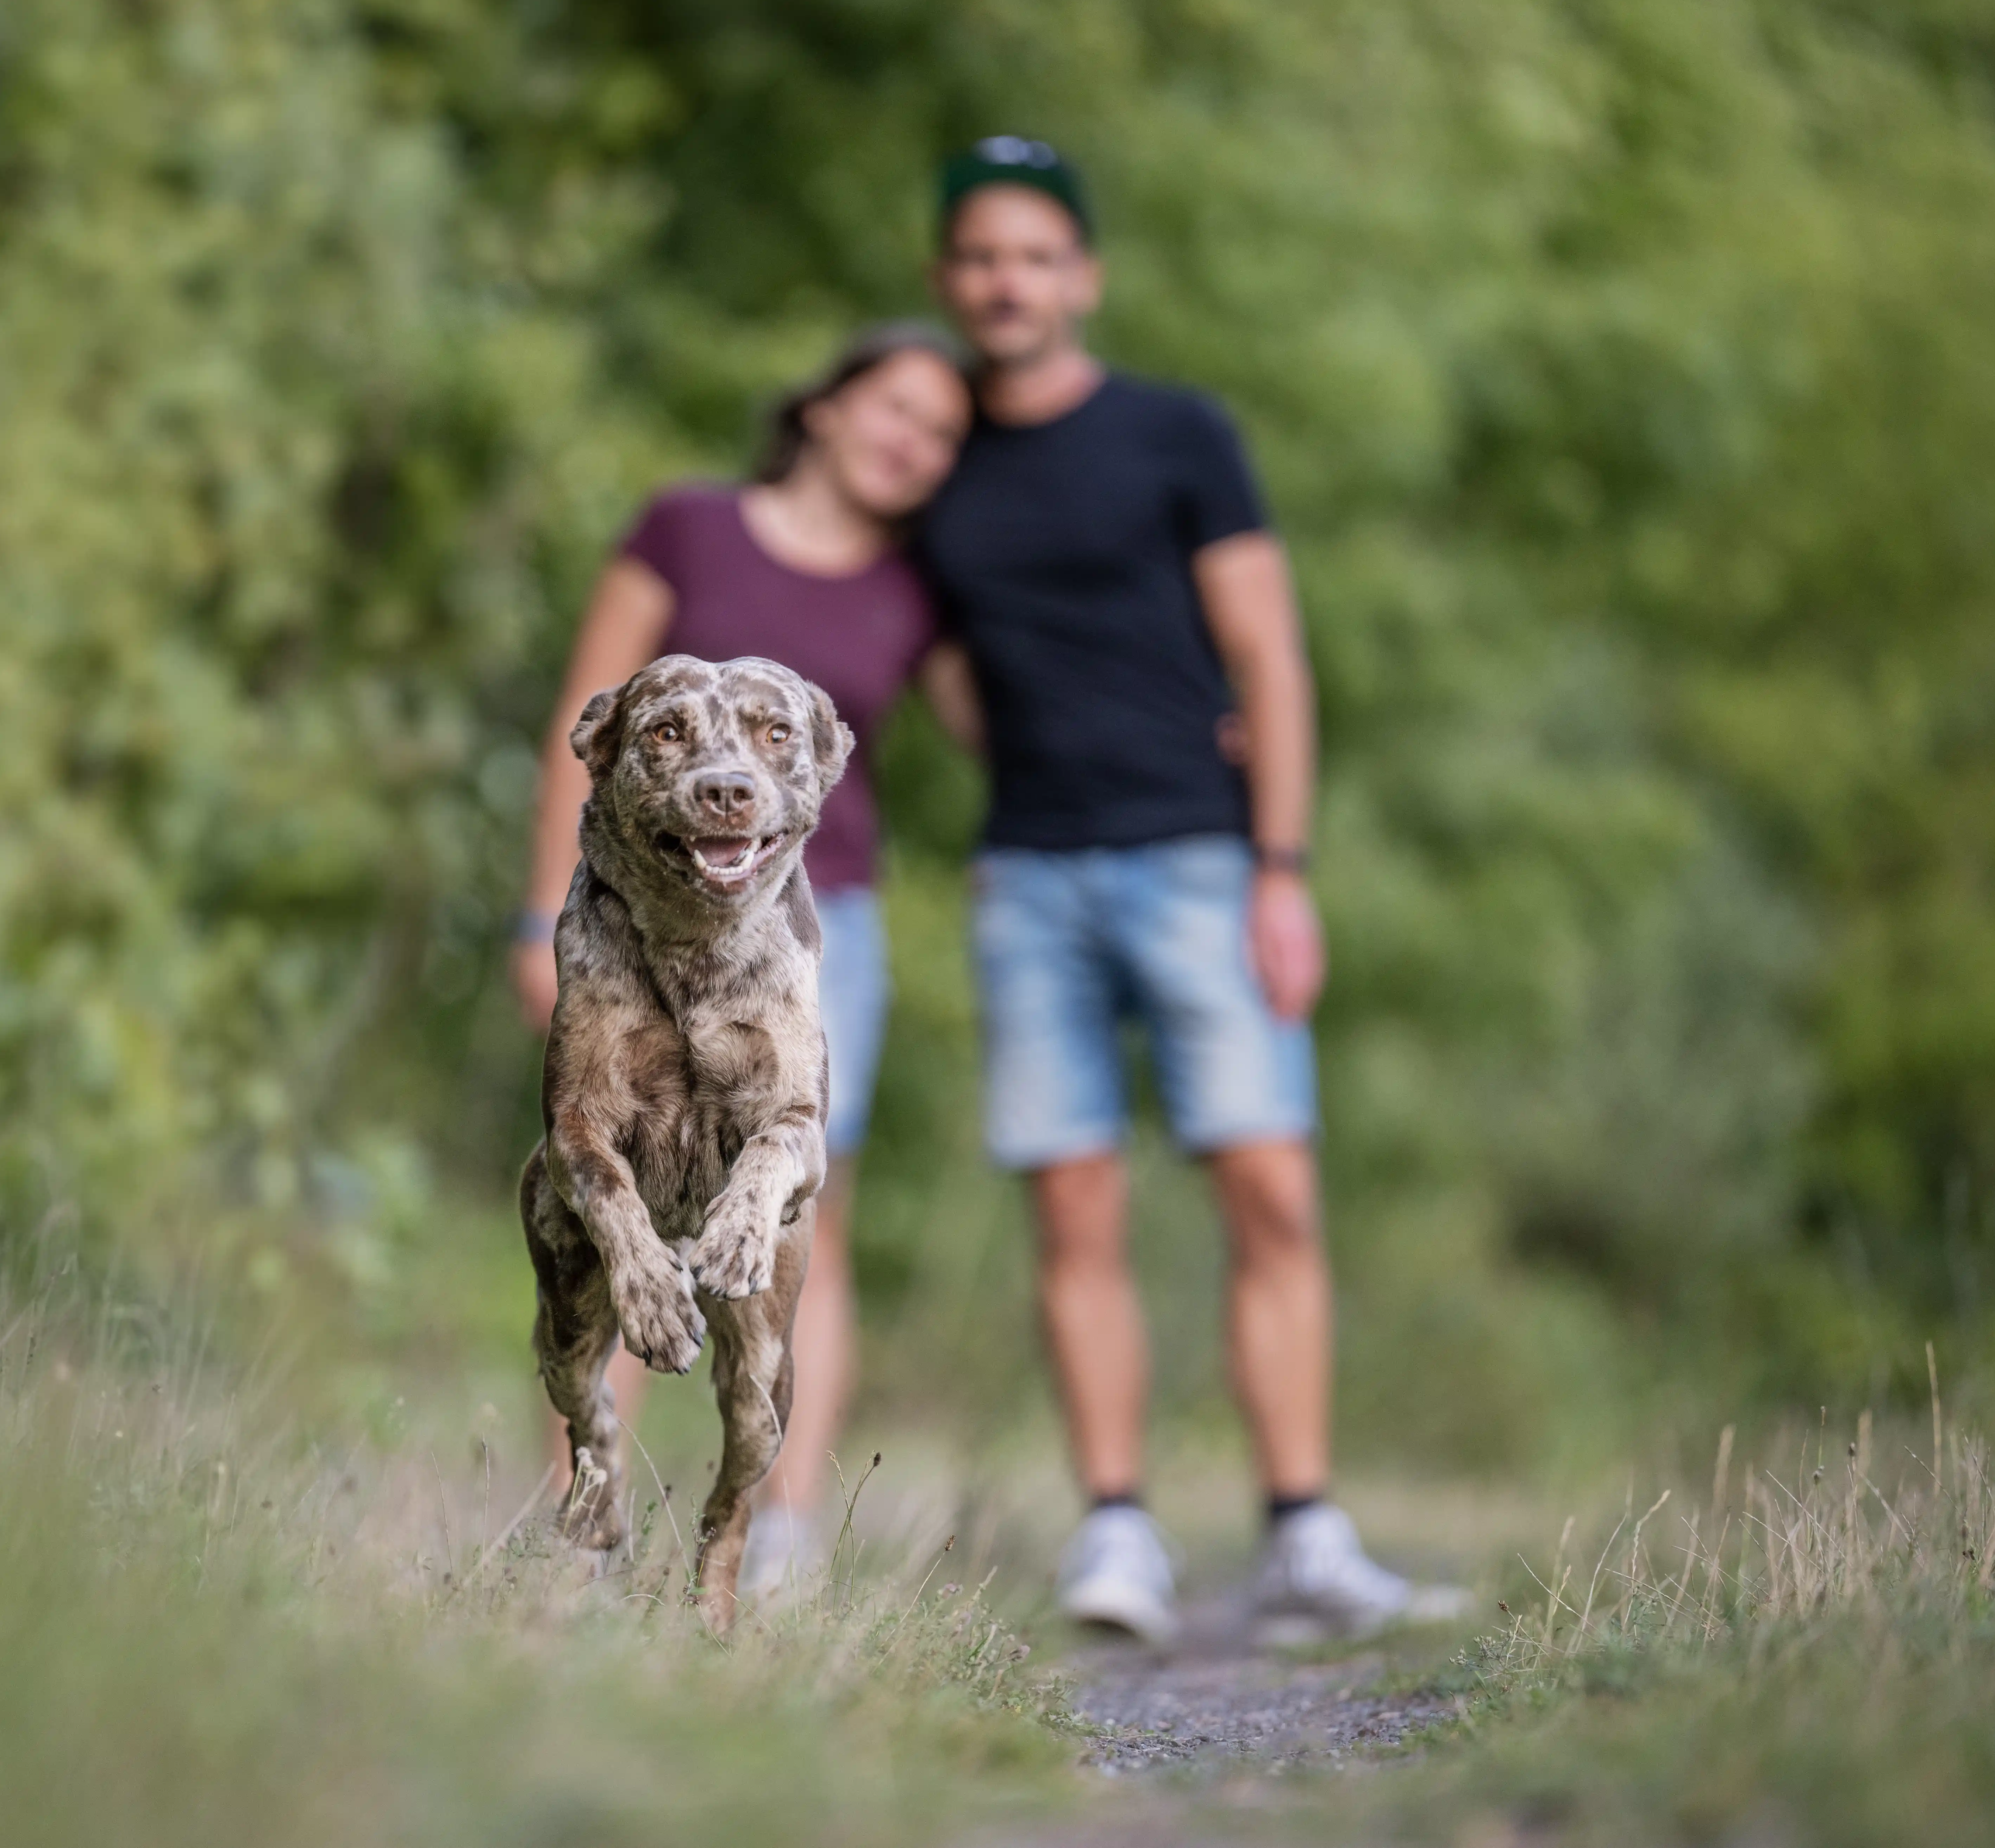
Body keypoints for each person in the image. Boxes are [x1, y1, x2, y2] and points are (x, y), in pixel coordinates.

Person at [917, 136, 1469, 1640]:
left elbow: (1268, 656)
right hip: (1029, 874)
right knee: (1073, 1211)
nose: (1006, 281)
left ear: (1082, 277)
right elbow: (944, 667)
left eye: (1034, 255)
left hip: (1200, 861)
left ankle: (1302, 1533)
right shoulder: (928, 456)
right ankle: (1116, 1535)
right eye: (978, 256)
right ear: (943, 279)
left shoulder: (1177, 434)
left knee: (1268, 1189)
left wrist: (1279, 868)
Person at [513, 323, 981, 1594]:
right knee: (612, 1206)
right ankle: (583, 1522)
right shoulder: (689, 528)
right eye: (893, 407)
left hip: (820, 930)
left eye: (942, 433)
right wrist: (531, 918)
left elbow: (1003, 723)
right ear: (824, 405)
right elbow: (596, 714)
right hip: (628, 922)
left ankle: (777, 1527)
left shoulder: (916, 587)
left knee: (798, 1224)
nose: (910, 442)